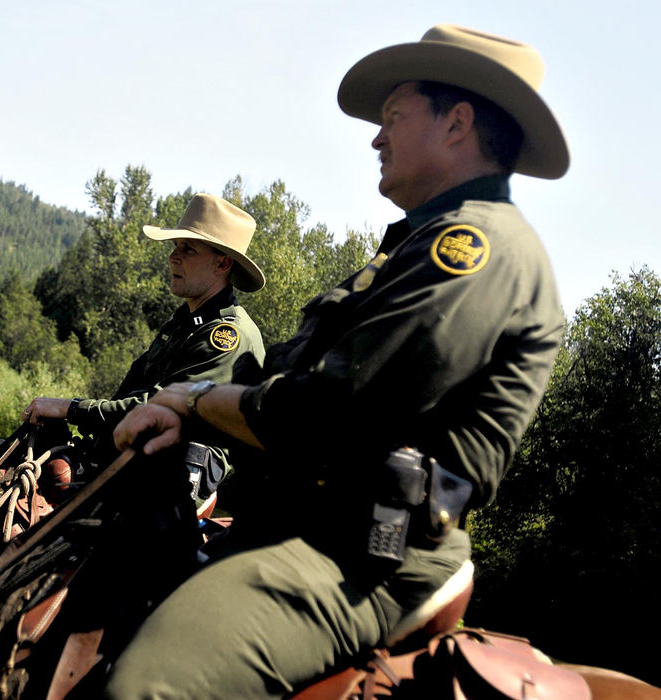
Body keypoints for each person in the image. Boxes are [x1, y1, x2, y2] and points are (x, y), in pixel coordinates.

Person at [105, 24, 568, 697]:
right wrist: (188, 415)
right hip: (302, 525)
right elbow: (287, 378)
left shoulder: (475, 247)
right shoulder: (415, 245)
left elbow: (328, 413)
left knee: (151, 685)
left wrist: (192, 402)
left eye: (393, 117)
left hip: (361, 556)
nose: (376, 138)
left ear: (456, 122)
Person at [21, 193, 266, 505]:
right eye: (175, 247)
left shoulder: (228, 335)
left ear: (223, 263)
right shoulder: (183, 323)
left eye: (187, 249)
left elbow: (158, 406)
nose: (173, 257)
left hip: (167, 481)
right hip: (130, 458)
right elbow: (128, 398)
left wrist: (72, 408)